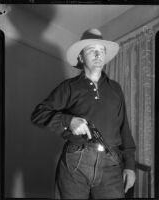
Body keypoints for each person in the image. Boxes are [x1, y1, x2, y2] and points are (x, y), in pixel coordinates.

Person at [31, 28, 136, 199]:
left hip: (111, 164)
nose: (97, 54)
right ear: (81, 57)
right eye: (91, 50)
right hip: (76, 163)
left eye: (101, 50)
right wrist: (68, 121)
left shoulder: (116, 89)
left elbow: (125, 129)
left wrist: (130, 166)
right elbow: (38, 114)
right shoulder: (69, 86)